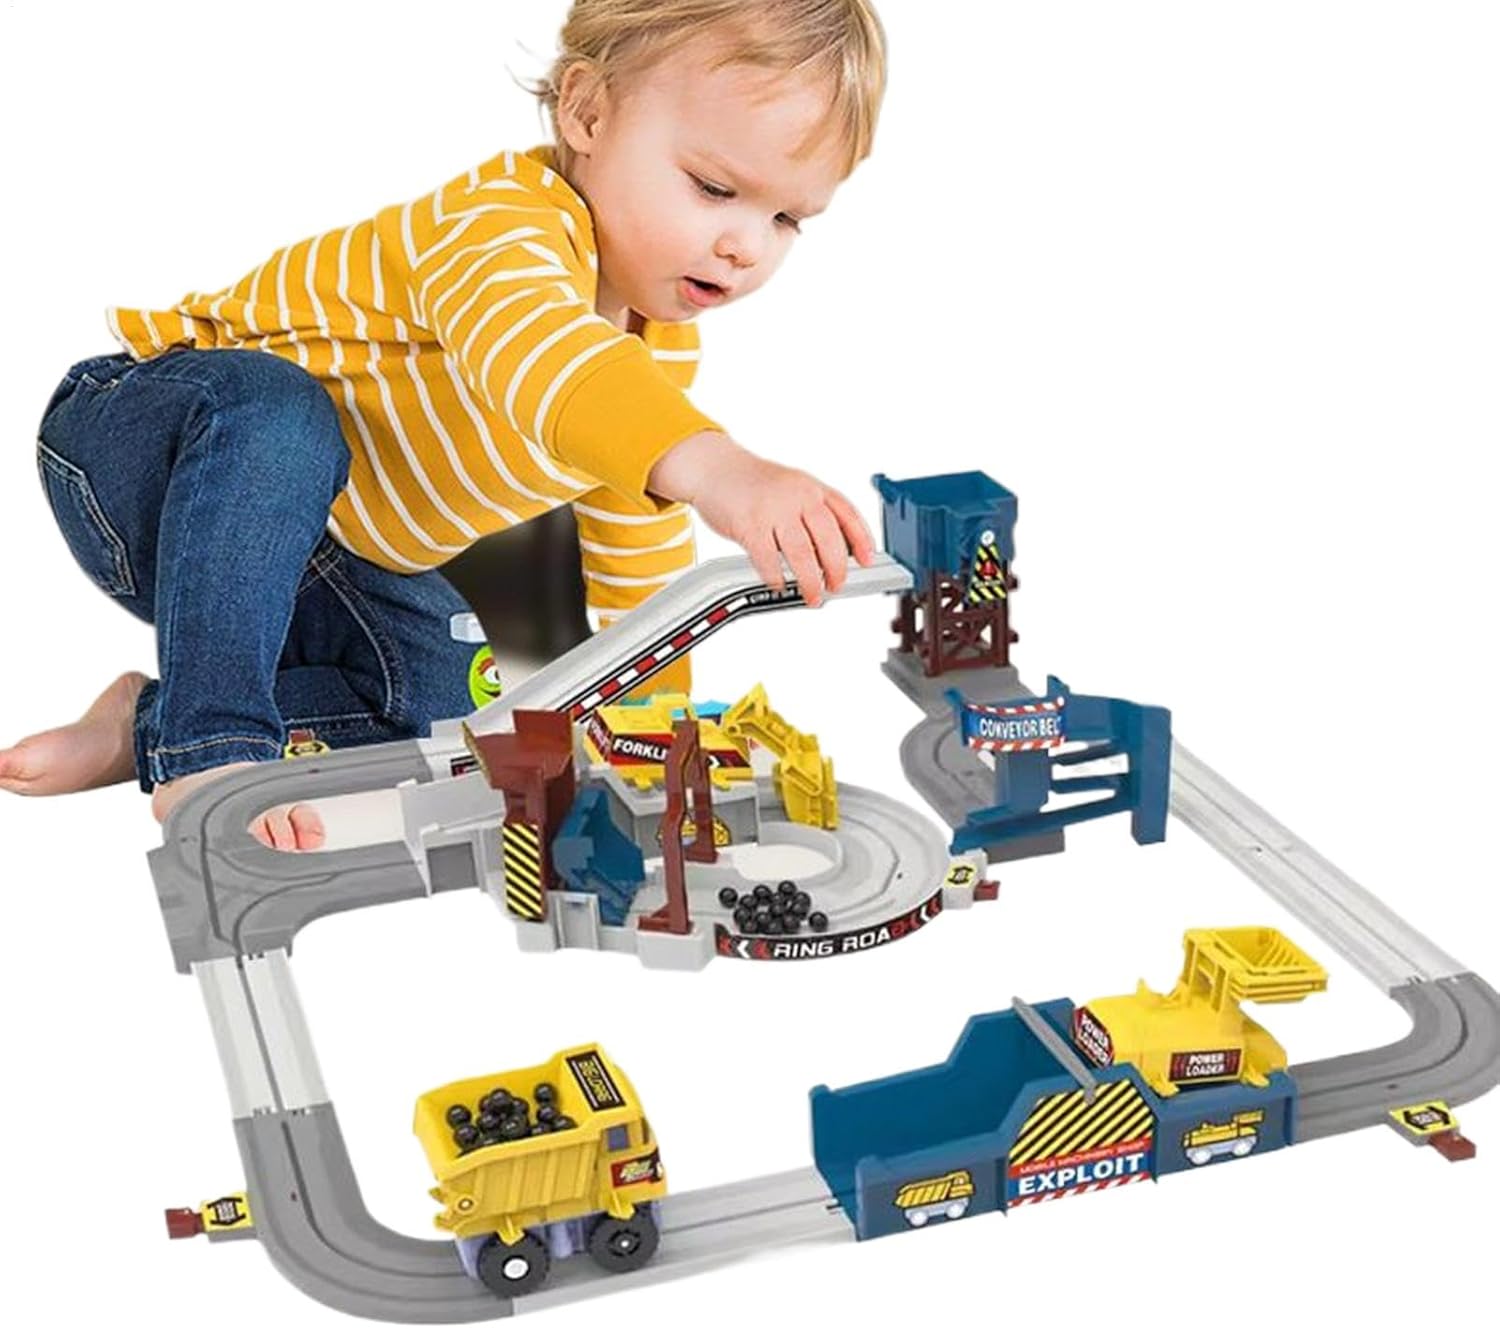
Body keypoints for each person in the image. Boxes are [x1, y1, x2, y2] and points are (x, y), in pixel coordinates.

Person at [0, 0, 886, 849]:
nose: (745, 246)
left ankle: (150, 726)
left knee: (450, 707)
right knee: (281, 415)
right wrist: (723, 469)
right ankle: (213, 748)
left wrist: (658, 740)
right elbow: (547, 361)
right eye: (715, 188)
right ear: (586, 112)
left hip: (313, 560)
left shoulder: (652, 369)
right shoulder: (499, 228)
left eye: (785, 219)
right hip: (150, 457)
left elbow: (640, 574)